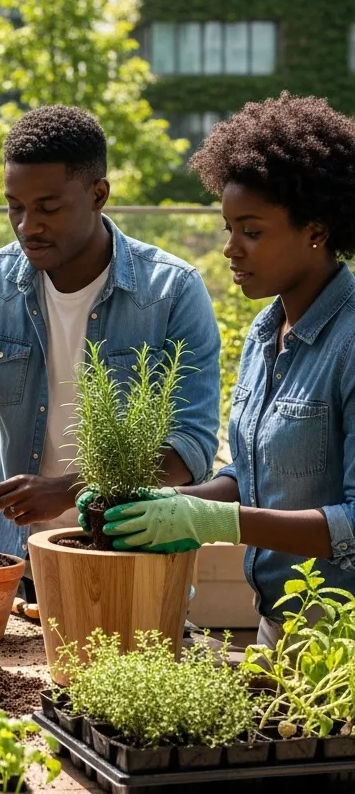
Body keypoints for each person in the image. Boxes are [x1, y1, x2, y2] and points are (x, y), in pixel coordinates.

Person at [0, 105, 221, 602]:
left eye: (48, 207)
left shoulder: (172, 291)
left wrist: (69, 488)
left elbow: (191, 446)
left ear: (98, 194)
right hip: (17, 564)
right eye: (15, 206)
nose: (27, 225)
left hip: (132, 561)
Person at [96, 93, 355, 646]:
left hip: (342, 640)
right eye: (228, 229)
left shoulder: (351, 344)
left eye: (253, 231)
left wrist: (217, 524)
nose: (231, 250)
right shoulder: (265, 334)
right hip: (278, 627)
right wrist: (178, 504)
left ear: (316, 229)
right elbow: (256, 477)